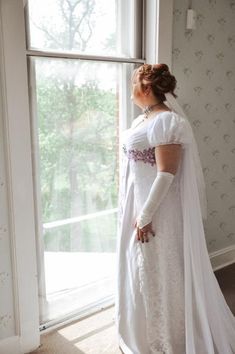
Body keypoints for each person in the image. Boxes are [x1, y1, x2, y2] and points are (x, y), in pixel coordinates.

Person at [114, 63, 235, 354]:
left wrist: (145, 217)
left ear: (145, 87)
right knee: (136, 267)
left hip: (156, 212)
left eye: (134, 84)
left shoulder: (167, 122)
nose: (131, 90)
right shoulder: (142, 121)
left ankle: (168, 339)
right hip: (136, 205)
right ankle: (138, 333)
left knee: (158, 269)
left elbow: (166, 173)